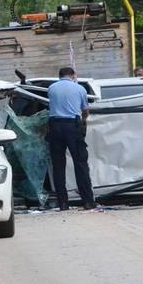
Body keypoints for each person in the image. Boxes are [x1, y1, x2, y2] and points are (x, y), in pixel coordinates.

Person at [47, 67, 97, 211]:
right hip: (72, 127)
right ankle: (87, 201)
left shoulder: (51, 88)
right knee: (80, 163)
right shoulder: (80, 89)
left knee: (58, 165)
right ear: (73, 75)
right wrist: (83, 120)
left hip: (55, 127)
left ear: (59, 76)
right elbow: (85, 110)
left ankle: (63, 203)